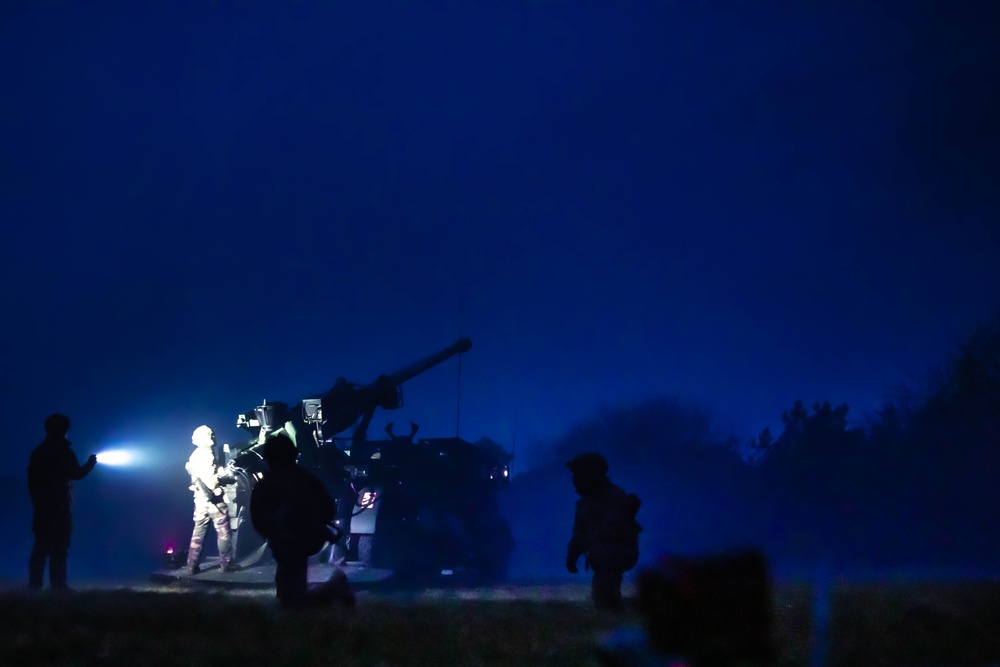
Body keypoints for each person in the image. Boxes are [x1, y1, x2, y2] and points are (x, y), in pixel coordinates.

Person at [250, 432, 354, 608]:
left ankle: (333, 589)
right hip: (296, 540)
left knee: (290, 597)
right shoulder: (305, 479)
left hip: (291, 541)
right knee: (292, 592)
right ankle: (333, 590)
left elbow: (259, 517)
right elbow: (328, 509)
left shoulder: (271, 484)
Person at [27, 413, 97, 592]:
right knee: (59, 547)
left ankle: (35, 585)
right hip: (59, 508)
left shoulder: (38, 452)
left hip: (42, 509)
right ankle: (58, 585)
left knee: (41, 547)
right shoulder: (63, 451)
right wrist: (90, 464)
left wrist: (39, 503)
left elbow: (32, 482)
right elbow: (76, 474)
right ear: (63, 430)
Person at [565, 452, 642, 611]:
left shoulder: (614, 498)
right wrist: (572, 554)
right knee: (600, 554)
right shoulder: (584, 504)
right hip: (602, 549)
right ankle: (605, 599)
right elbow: (578, 532)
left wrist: (583, 544)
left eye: (580, 475)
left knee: (602, 553)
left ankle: (608, 600)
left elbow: (611, 531)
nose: (576, 480)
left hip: (621, 549)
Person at [185, 425, 238, 574]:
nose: (213, 438)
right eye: (211, 435)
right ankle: (227, 565)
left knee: (198, 533)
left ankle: (191, 566)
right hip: (213, 501)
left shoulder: (194, 455)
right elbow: (210, 482)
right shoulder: (207, 455)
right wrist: (222, 476)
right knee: (223, 532)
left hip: (200, 500)